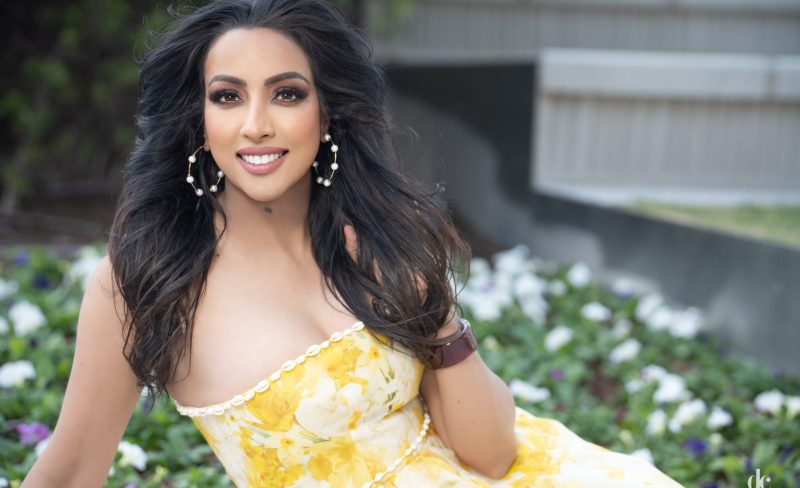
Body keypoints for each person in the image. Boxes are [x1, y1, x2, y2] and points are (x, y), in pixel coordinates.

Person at [22, 1, 684, 486]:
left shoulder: (377, 242)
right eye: (227, 97)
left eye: (286, 94)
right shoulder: (143, 281)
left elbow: (491, 455)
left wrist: (434, 311)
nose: (256, 125)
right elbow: (72, 470)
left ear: (326, 112)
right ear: (197, 122)